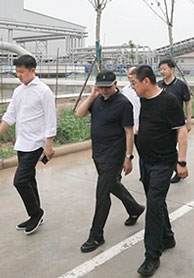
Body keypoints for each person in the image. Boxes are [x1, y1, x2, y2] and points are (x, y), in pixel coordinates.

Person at [75, 70, 144, 253]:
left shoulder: (123, 104)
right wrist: (92, 95)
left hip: (114, 156)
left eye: (107, 87)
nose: (104, 90)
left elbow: (129, 132)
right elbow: (79, 114)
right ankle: (135, 208)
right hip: (98, 153)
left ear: (115, 84)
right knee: (112, 184)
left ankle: (96, 235)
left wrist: (128, 157)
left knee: (102, 194)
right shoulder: (97, 100)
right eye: (101, 87)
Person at [0, 54, 56, 235]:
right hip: (22, 142)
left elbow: (51, 120)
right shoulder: (18, 91)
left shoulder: (44, 91)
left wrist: (49, 145)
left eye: (22, 72)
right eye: (17, 71)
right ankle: (35, 214)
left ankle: (36, 213)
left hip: (36, 143)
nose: (19, 75)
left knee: (20, 181)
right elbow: (10, 116)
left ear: (32, 70)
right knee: (29, 179)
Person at [133, 65, 188, 277]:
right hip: (146, 161)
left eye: (135, 83)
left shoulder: (169, 101)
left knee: (153, 206)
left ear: (146, 81)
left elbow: (181, 130)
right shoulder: (143, 99)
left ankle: (152, 256)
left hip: (163, 163)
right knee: (156, 201)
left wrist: (181, 162)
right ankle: (167, 237)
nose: (133, 87)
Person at [158, 59, 192, 184]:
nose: (162, 71)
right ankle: (174, 169)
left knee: (172, 148)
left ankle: (178, 169)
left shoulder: (181, 85)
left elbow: (188, 103)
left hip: (177, 123)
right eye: (160, 69)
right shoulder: (159, 85)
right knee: (166, 148)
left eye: (164, 69)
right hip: (162, 123)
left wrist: (189, 121)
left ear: (172, 69)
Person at [122, 66, 141, 134]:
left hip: (140, 125)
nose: (130, 76)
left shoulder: (143, 89)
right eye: (129, 74)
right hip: (128, 125)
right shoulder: (125, 90)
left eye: (133, 74)